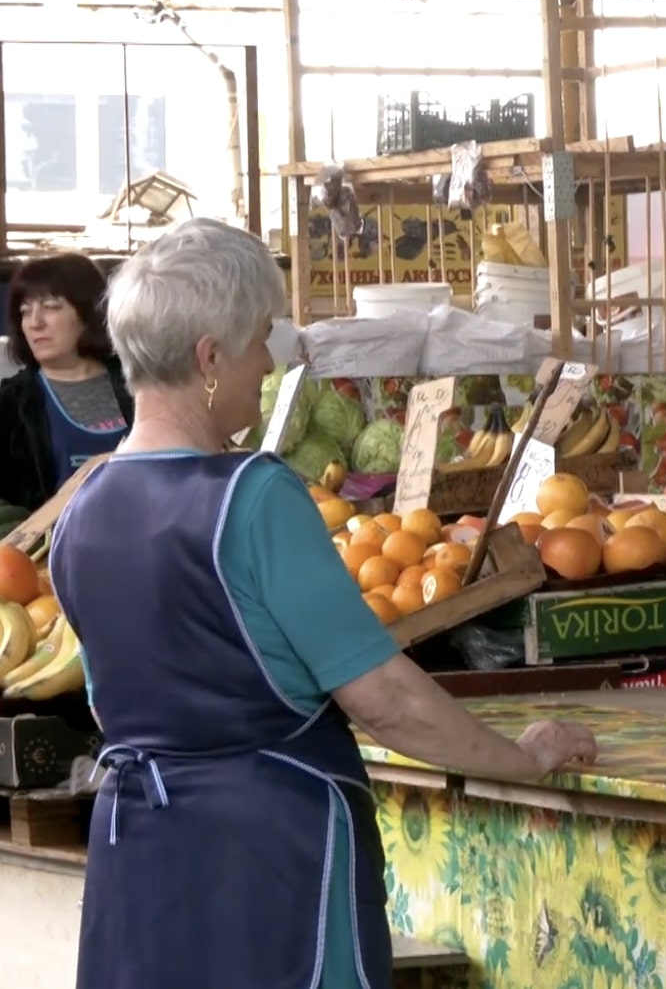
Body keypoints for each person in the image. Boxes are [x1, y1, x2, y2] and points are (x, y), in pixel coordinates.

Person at [48, 219, 598, 989]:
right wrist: (522, 757)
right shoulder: (251, 496)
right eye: (258, 341)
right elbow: (386, 701)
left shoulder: (83, 508)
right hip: (269, 854)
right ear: (208, 359)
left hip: (138, 847)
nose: (269, 362)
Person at [0, 254, 133, 512]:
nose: (35, 323)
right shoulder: (11, 406)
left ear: (88, 313)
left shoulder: (141, 383)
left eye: (50, 306)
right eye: (25, 311)